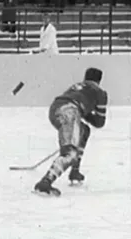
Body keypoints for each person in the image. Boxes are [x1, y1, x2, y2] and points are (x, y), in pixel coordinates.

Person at [34, 68, 108, 196]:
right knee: (70, 153)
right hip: (70, 111)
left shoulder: (77, 86)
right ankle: (45, 182)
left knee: (84, 130)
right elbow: (99, 122)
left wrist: (84, 112)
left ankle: (75, 171)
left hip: (55, 109)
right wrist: (88, 113)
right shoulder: (100, 92)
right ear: (99, 80)